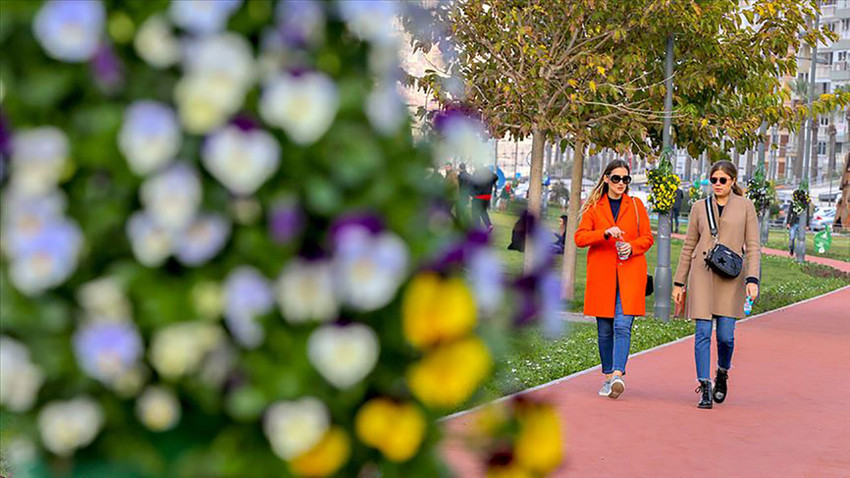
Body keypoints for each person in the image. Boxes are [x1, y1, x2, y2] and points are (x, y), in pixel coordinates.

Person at [672, 160, 760, 409]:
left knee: (725, 336)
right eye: (714, 180)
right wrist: (679, 282)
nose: (718, 184)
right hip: (701, 273)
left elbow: (753, 246)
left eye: (723, 180)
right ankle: (705, 385)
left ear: (732, 181)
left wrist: (752, 279)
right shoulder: (699, 207)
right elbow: (689, 245)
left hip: (731, 277)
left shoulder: (746, 207)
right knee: (701, 333)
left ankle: (722, 371)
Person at [575, 159, 653, 399]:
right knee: (605, 330)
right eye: (617, 178)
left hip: (630, 275)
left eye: (625, 179)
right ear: (606, 179)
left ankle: (618, 375)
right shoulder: (594, 208)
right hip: (603, 276)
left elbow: (647, 238)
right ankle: (608, 376)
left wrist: (632, 247)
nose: (621, 183)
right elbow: (580, 238)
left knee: (622, 325)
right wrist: (605, 233)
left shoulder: (637, 205)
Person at [470, 165, 498, 232]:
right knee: (483, 211)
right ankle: (489, 225)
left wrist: (471, 193)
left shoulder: (476, 173)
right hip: (487, 196)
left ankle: (477, 227)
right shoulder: (489, 174)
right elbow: (496, 177)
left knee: (475, 212)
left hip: (478, 196)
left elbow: (473, 184)